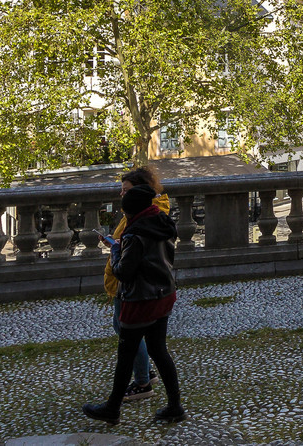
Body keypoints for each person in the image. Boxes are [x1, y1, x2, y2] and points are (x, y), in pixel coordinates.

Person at [84, 183, 184, 425]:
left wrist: (116, 250)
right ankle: (175, 405)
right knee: (159, 351)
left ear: (131, 211)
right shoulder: (163, 223)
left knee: (125, 355)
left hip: (140, 300)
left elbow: (124, 273)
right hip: (164, 294)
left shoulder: (134, 234)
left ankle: (112, 408)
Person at [102, 166, 167, 403]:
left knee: (128, 334)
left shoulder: (144, 219)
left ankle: (140, 383)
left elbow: (127, 264)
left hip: (134, 287)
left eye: (126, 190)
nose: (122, 195)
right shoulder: (149, 215)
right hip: (147, 286)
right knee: (144, 340)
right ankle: (152, 385)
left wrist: (117, 249)